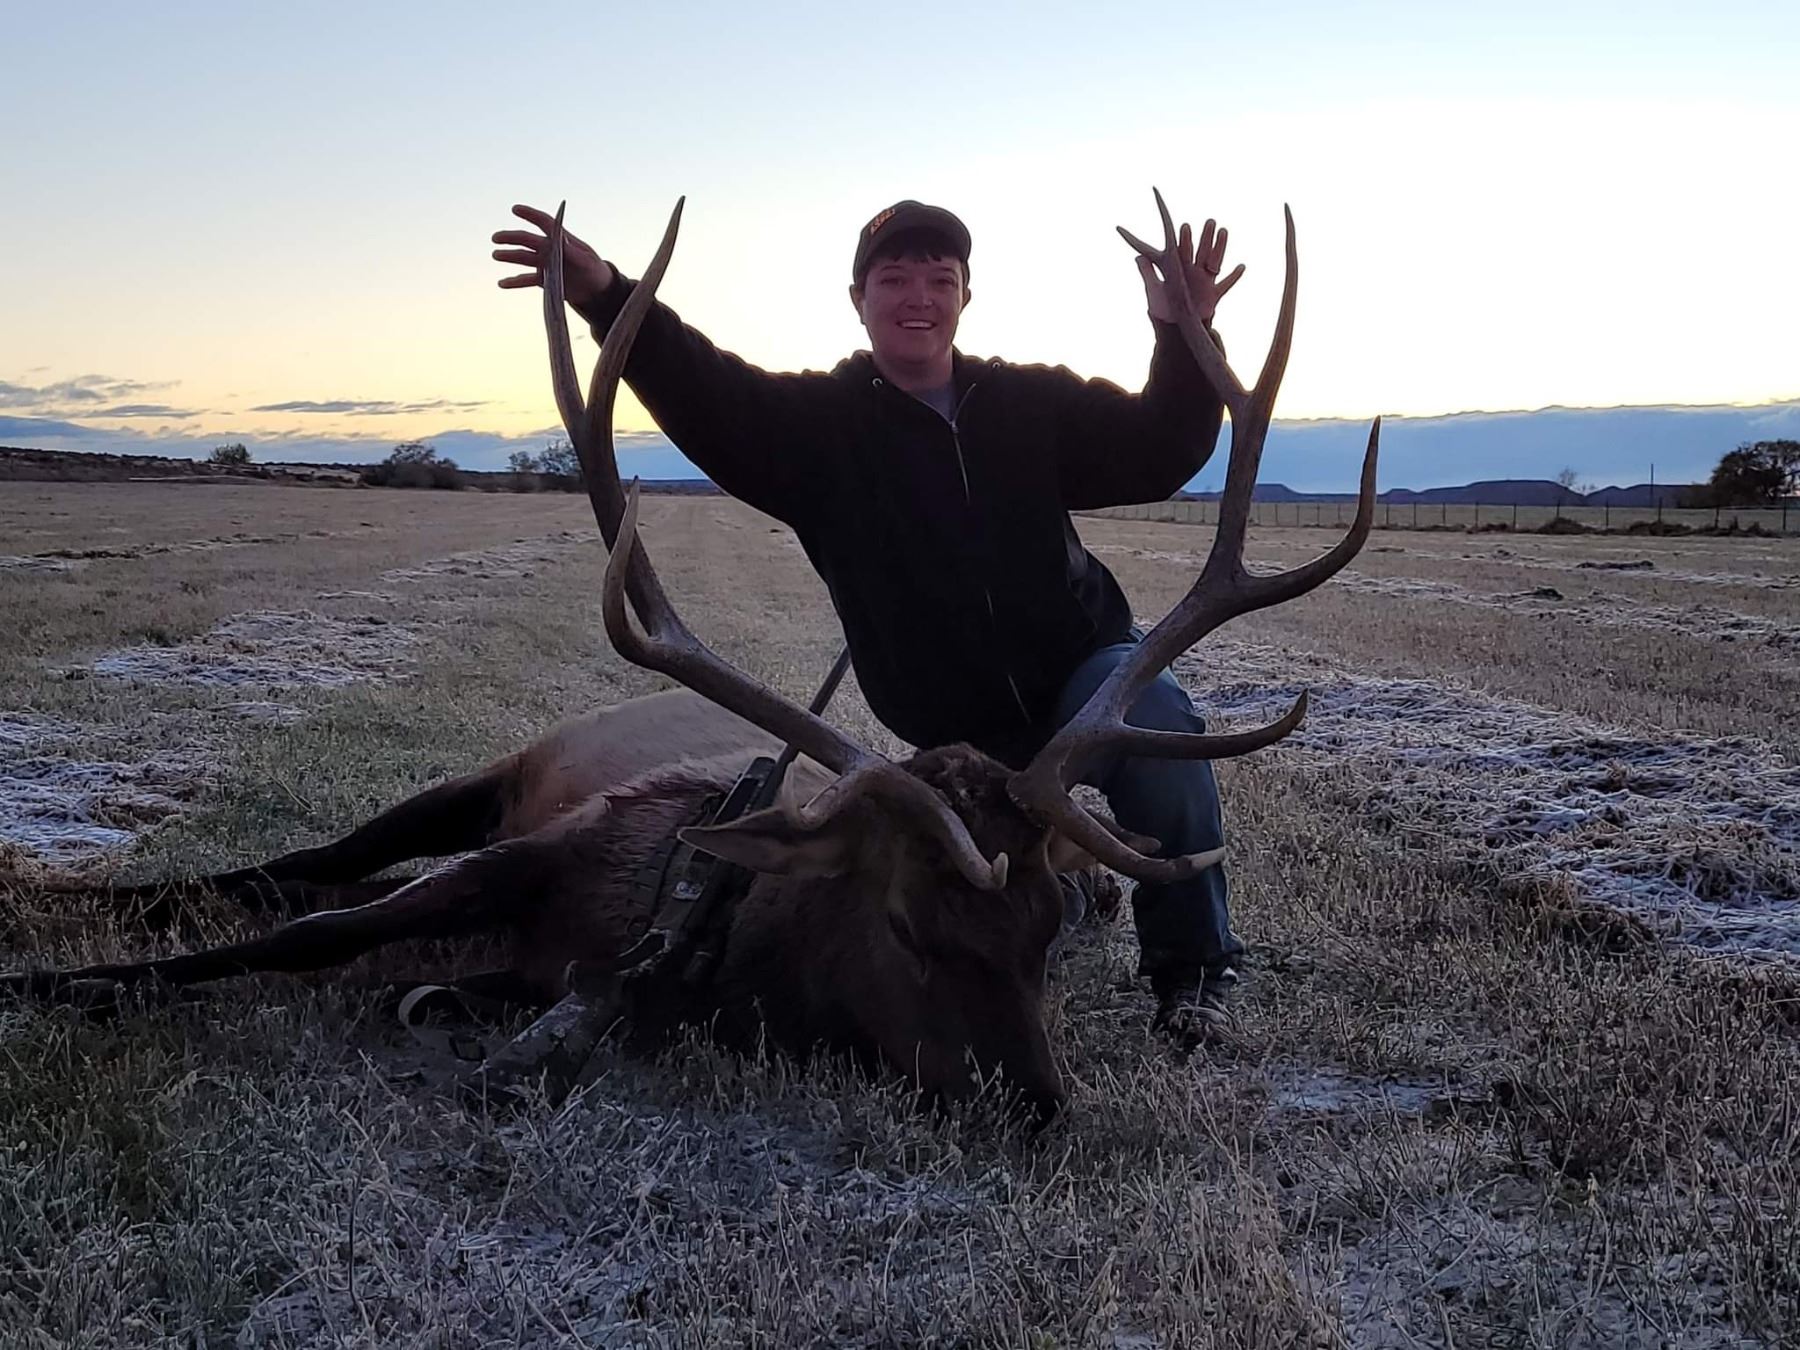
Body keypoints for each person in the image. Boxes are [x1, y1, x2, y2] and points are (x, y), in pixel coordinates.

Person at [491, 196, 1246, 1047]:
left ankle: (1194, 971)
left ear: (964, 297)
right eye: (894, 279)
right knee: (965, 893)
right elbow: (703, 388)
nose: (918, 296)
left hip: (1084, 671)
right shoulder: (817, 429)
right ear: (859, 299)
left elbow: (1162, 449)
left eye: (940, 279)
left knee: (1156, 720)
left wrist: (1184, 333)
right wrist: (604, 292)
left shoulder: (1029, 402)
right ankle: (1069, 888)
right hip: (951, 726)